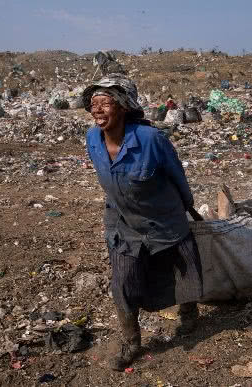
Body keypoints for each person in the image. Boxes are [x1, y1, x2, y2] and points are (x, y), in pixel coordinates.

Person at [82, 74, 203, 371]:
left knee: (185, 268)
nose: (97, 109)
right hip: (123, 220)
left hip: (164, 217)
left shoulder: (151, 139)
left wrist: (187, 205)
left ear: (123, 107)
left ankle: (188, 312)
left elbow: (177, 175)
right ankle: (131, 341)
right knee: (123, 281)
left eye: (105, 102)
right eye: (93, 103)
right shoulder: (92, 139)